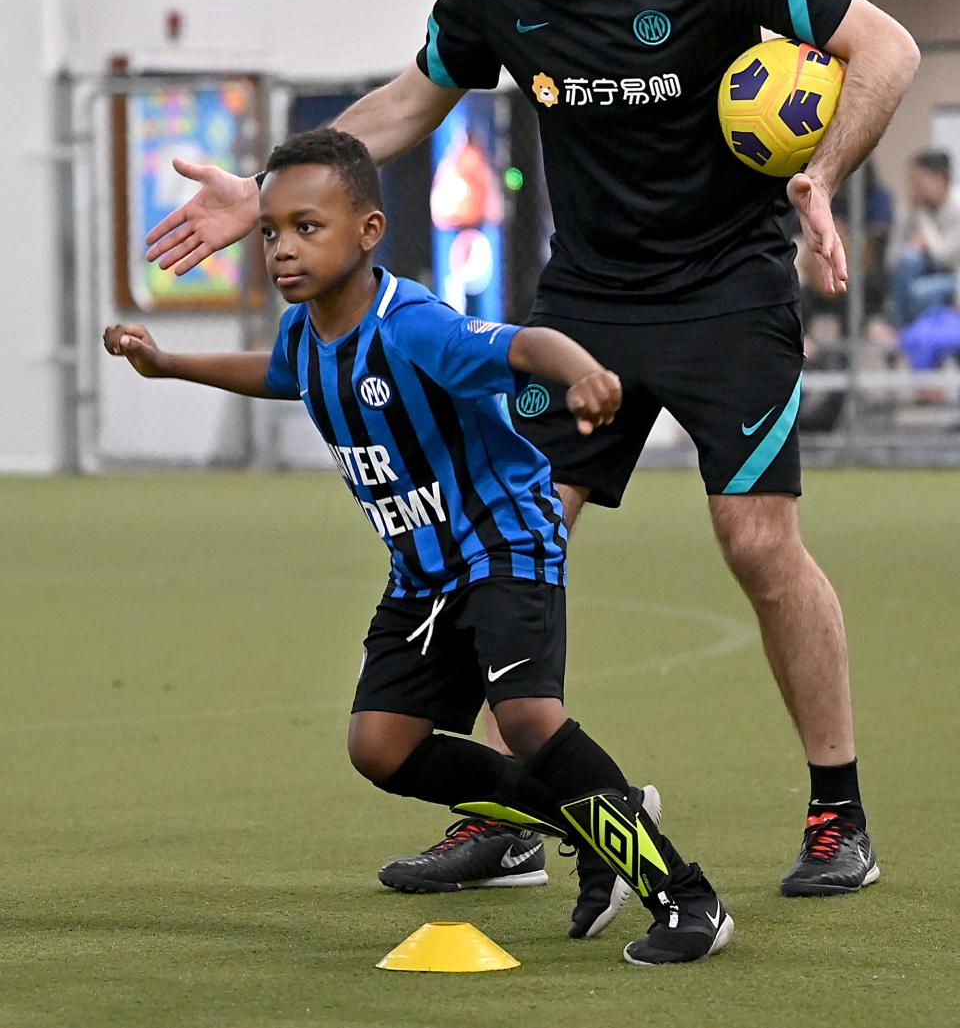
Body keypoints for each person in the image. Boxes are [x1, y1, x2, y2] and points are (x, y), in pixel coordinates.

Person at [143, 0, 920, 898]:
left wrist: (823, 176)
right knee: (502, 529)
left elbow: (883, 47)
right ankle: (506, 813)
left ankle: (838, 813)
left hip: (727, 293)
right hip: (587, 300)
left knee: (755, 542)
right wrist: (269, 192)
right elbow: (414, 100)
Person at [106, 128, 734, 966]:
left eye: (307, 227)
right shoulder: (308, 333)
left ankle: (687, 899)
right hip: (423, 573)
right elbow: (275, 371)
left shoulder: (415, 325)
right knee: (382, 746)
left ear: (368, 232)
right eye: (271, 232)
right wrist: (170, 362)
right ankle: (601, 816)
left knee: (528, 716)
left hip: (506, 542)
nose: (284, 249)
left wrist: (582, 370)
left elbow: (520, 346)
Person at [888, 149, 960, 329]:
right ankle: (902, 329)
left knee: (919, 294)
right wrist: (910, 215)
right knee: (909, 258)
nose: (915, 190)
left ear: (940, 179)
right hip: (917, 276)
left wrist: (922, 217)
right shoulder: (910, 207)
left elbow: (943, 257)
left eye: (920, 183)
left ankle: (901, 331)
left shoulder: (956, 205)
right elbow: (892, 259)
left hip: (954, 276)